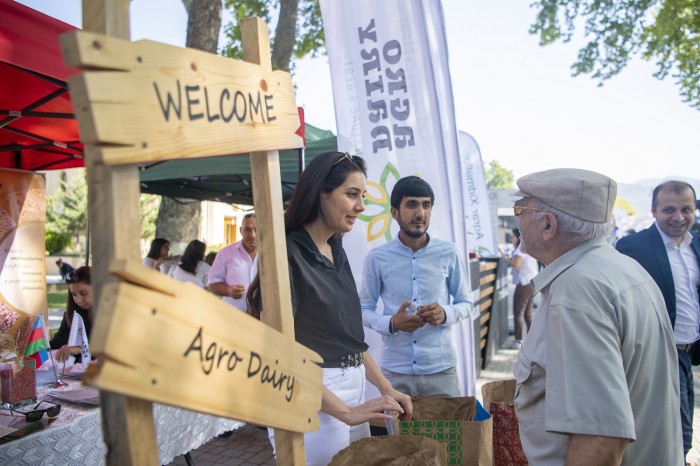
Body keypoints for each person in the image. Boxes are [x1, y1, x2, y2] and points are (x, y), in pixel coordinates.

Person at [247, 152, 412, 466]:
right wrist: (346, 411)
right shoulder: (288, 253)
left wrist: (386, 387)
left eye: (362, 196)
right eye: (351, 195)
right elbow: (276, 352)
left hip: (349, 387)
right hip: (311, 392)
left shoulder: (336, 247)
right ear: (320, 192)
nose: (361, 206)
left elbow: (348, 338)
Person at [512, 168, 682, 465]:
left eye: (520, 208)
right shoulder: (620, 268)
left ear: (549, 225)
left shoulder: (577, 289)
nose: (517, 218)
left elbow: (601, 440)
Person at [360, 176, 472, 397]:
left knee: (449, 433)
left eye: (426, 205)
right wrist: (391, 322)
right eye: (411, 204)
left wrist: (445, 313)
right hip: (395, 373)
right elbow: (363, 308)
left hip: (441, 371)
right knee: (399, 433)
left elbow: (466, 303)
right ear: (394, 212)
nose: (420, 213)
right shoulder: (377, 258)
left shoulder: (448, 252)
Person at [616, 180, 700, 458]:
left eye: (686, 209)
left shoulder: (696, 245)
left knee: (680, 433)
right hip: (658, 354)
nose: (678, 217)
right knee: (678, 435)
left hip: (689, 353)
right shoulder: (633, 247)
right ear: (653, 210)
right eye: (669, 210)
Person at [499, 228, 538, 349]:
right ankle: (533, 341)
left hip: (525, 282)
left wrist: (503, 256)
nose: (511, 239)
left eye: (512, 237)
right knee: (527, 313)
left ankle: (519, 341)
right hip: (532, 281)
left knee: (518, 312)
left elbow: (516, 265)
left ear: (518, 237)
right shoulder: (526, 246)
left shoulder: (521, 249)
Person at [208, 213, 257, 311]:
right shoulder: (225, 253)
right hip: (232, 316)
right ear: (240, 231)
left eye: (256, 229)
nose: (252, 235)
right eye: (248, 229)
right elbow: (212, 283)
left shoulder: (270, 255)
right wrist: (228, 291)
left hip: (261, 318)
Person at [50, 265, 93, 363]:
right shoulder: (73, 314)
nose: (78, 300)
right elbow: (57, 343)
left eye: (83, 293)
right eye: (74, 294)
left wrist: (77, 349)